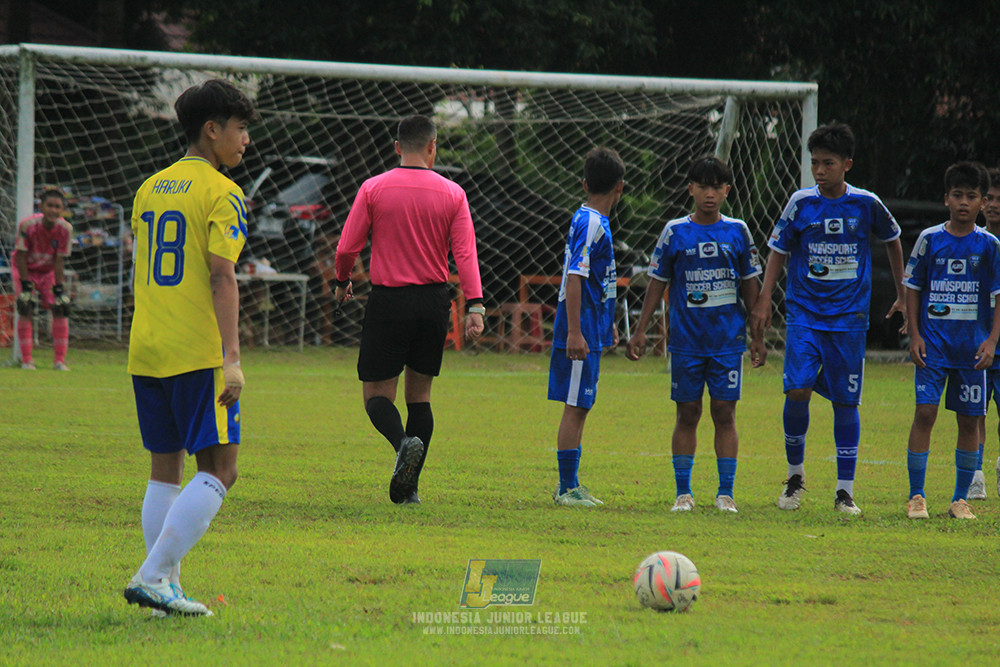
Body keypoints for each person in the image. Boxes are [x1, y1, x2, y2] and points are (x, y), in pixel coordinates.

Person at [123, 79, 256, 616]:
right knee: (222, 468)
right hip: (197, 352)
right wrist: (232, 358)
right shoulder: (223, 192)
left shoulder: (149, 188)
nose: (246, 140)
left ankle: (164, 592)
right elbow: (222, 277)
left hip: (147, 348)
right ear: (212, 130)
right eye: (241, 128)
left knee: (165, 470)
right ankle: (153, 575)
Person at [750, 122, 906, 515]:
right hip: (805, 312)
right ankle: (795, 477)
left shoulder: (865, 203)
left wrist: (903, 293)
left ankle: (844, 491)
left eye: (828, 163)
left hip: (849, 319)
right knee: (797, 389)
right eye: (815, 163)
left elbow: (892, 238)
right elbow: (777, 250)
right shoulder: (801, 203)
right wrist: (765, 298)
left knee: (845, 401)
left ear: (847, 164)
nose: (820, 170)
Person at [334, 114, 484, 505]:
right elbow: (465, 253)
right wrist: (476, 305)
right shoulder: (453, 193)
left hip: (389, 301)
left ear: (397, 147)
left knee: (376, 396)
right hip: (434, 302)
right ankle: (411, 488)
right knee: (421, 397)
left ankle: (402, 445)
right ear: (433, 147)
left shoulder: (374, 188)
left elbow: (347, 247)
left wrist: (342, 279)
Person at [626, 156, 765, 513]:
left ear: (726, 191)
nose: (709, 194)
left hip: (727, 341)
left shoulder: (738, 231)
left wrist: (757, 336)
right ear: (690, 189)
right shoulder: (675, 232)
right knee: (687, 413)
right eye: (702, 186)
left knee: (724, 412)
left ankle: (726, 493)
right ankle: (683, 493)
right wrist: (640, 331)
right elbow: (658, 282)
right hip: (686, 342)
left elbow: (751, 286)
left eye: (716, 187)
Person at [903, 162, 1000, 520]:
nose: (963, 202)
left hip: (972, 350)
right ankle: (916, 495)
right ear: (946, 199)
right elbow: (913, 288)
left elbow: (998, 294)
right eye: (957, 195)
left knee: (970, 420)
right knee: (925, 413)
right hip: (934, 347)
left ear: (982, 201)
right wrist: (914, 334)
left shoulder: (990, 246)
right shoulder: (930, 240)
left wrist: (991, 340)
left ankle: (960, 498)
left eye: (971, 196)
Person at [547, 146, 624, 507]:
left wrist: (606, 324)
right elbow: (574, 278)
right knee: (575, 405)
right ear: (620, 188)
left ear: (584, 183)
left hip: (592, 324)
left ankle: (572, 483)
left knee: (581, 404)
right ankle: (566, 487)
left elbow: (596, 280)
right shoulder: (592, 222)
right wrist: (575, 332)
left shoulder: (592, 221)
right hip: (579, 326)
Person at [11, 188, 73, 371]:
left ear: (62, 209)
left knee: (59, 308)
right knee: (26, 307)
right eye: (50, 206)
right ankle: (27, 361)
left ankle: (60, 361)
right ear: (41, 207)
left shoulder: (65, 229)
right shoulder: (28, 226)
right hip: (25, 270)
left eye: (58, 207)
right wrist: (24, 284)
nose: (54, 210)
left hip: (48, 272)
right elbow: (20, 256)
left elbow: (60, 260)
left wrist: (59, 287)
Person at [971, 166, 1000, 500]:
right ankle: (975, 472)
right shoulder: (973, 241)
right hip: (977, 341)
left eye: (998, 199)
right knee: (976, 410)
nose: (993, 205)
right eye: (988, 198)